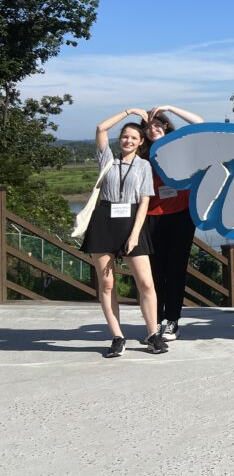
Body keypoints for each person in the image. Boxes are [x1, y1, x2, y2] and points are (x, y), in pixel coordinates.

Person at [80, 109, 165, 357]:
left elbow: (145, 202)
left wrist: (135, 234)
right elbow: (100, 127)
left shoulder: (144, 166)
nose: (128, 141)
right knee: (107, 284)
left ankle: (153, 334)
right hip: (104, 222)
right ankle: (117, 336)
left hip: (131, 223)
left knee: (146, 283)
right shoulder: (107, 159)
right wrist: (129, 111)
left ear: (140, 143)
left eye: (134, 138)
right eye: (125, 136)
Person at [140, 105, 203, 342]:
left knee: (176, 269)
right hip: (150, 216)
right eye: (147, 127)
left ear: (166, 125)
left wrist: (169, 108)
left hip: (181, 215)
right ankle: (154, 320)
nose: (152, 129)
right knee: (154, 271)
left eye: (157, 124)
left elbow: (199, 124)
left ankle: (172, 320)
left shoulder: (180, 146)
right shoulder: (142, 153)